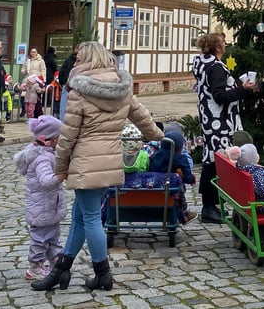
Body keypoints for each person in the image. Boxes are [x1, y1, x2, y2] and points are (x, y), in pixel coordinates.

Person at [32, 41, 163, 292]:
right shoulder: (122, 88)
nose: (76, 63)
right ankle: (62, 270)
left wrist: (60, 167)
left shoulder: (80, 91)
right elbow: (141, 115)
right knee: (81, 215)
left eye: (79, 59)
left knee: (90, 217)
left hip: (85, 161)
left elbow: (68, 135)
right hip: (110, 160)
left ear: (90, 60)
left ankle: (103, 274)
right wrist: (158, 135)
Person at [191, 33, 257, 224]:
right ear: (218, 47)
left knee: (212, 160)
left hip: (209, 119)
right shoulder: (216, 67)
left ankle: (211, 206)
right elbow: (219, 96)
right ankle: (209, 207)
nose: (226, 44)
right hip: (218, 121)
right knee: (214, 162)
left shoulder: (203, 64)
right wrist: (243, 89)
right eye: (223, 43)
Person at [13, 114, 67, 281]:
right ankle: (35, 267)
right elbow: (45, 181)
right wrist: (60, 176)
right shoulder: (42, 158)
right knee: (40, 239)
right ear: (50, 139)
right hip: (41, 206)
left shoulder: (47, 153)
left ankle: (55, 261)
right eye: (59, 137)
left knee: (53, 235)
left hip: (49, 204)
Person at [56, 44, 78, 120]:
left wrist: (61, 82)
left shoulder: (68, 60)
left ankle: (62, 121)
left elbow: (62, 71)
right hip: (78, 86)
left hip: (67, 84)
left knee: (64, 105)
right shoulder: (86, 61)